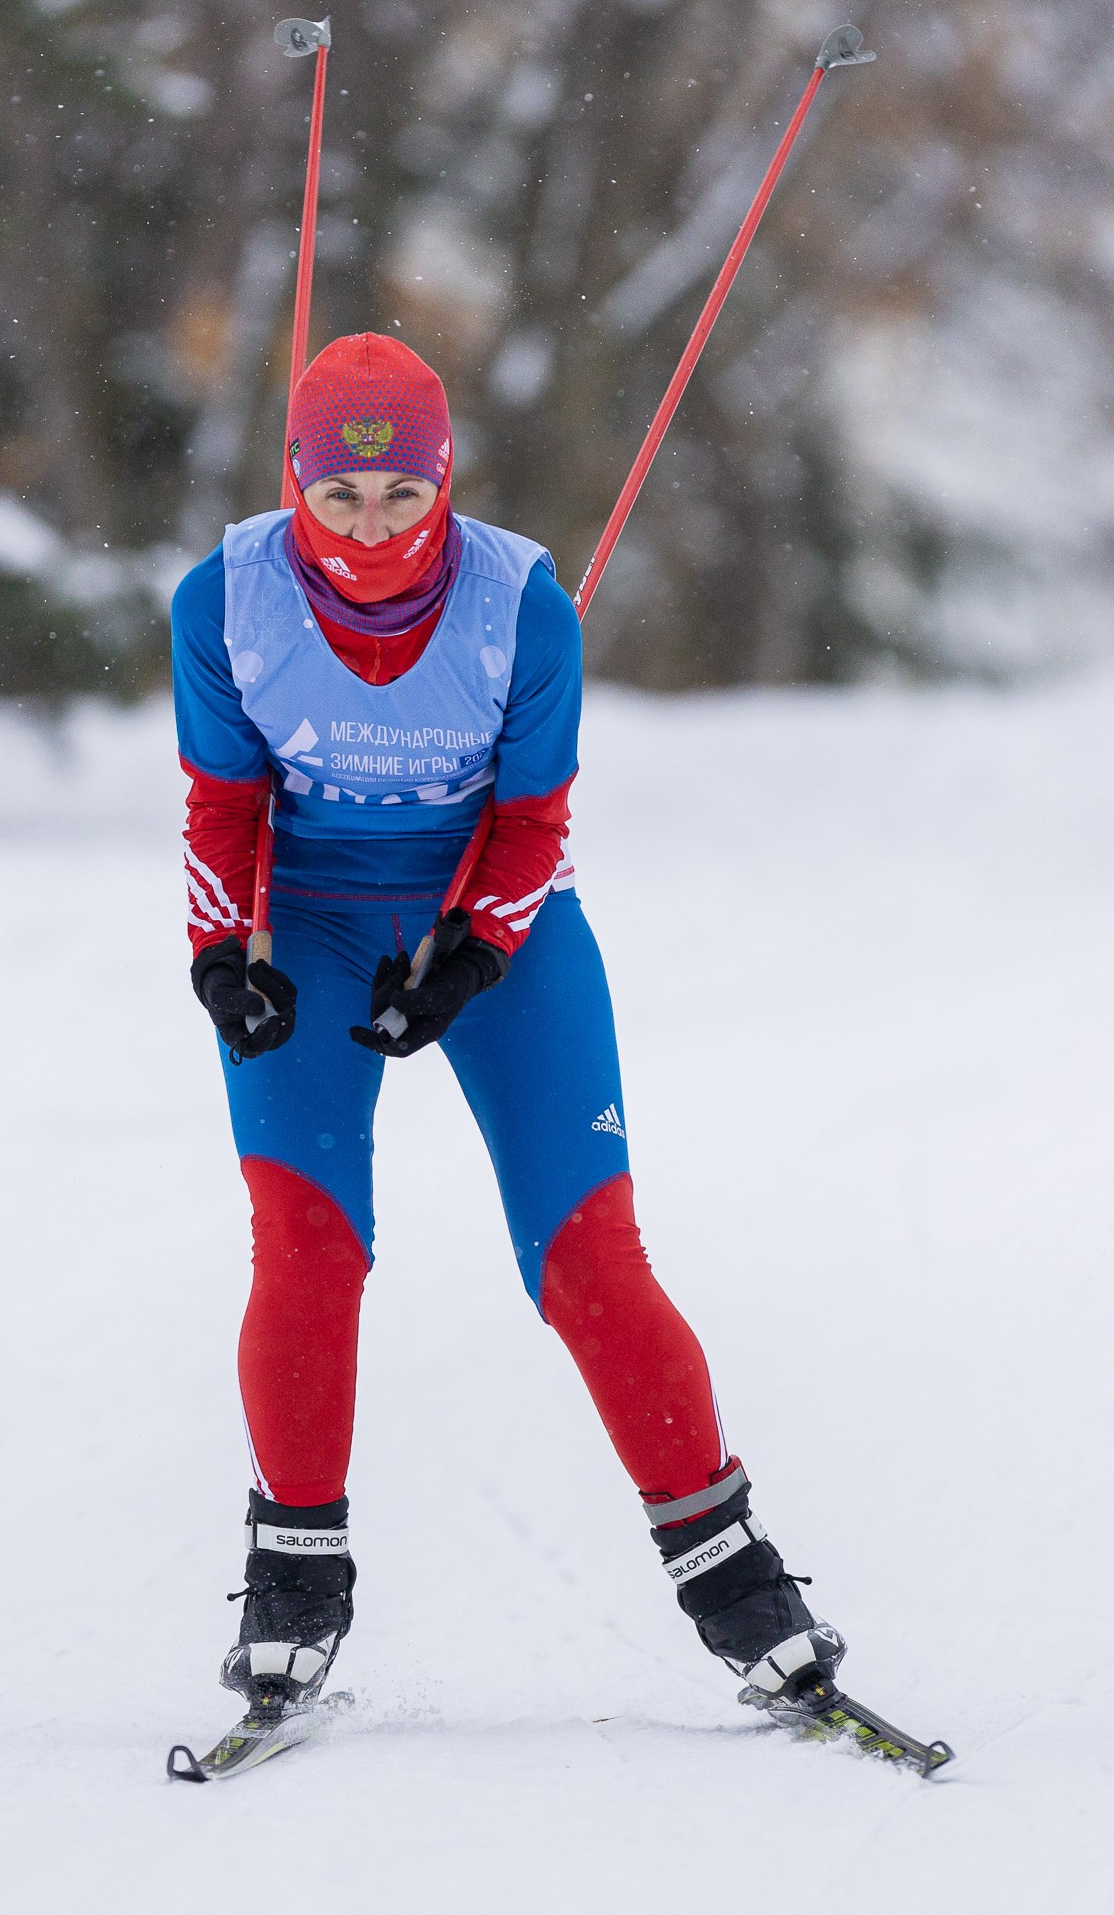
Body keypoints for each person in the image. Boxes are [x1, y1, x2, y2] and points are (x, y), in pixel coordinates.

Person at [172, 332, 842, 1725]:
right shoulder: (222, 599)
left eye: (402, 499)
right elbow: (222, 803)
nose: (371, 530)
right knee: (307, 1243)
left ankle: (734, 1577)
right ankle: (295, 1581)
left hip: (496, 921)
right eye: (341, 499)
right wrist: (221, 957)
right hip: (304, 915)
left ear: (444, 483)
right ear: (298, 481)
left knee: (587, 1257)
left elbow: (534, 819)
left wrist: (474, 951)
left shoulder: (520, 604)